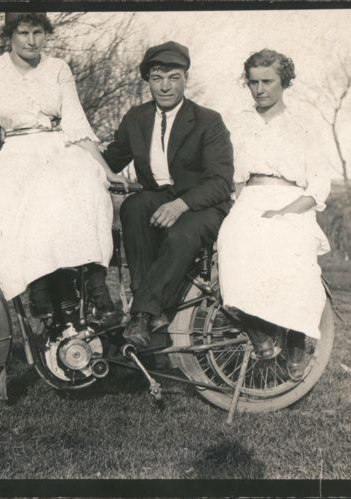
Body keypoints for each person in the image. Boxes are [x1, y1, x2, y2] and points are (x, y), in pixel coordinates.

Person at [0, 13, 129, 326]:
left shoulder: (58, 68)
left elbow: (76, 123)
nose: (32, 40)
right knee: (23, 199)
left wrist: (106, 170)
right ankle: (38, 283)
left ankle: (94, 283)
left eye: (38, 33)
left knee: (88, 181)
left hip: (61, 147)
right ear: (10, 35)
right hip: (18, 150)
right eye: (24, 33)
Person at [103, 41, 235, 348]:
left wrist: (181, 205)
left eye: (173, 77)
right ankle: (153, 314)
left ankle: (141, 314)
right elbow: (110, 161)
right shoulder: (136, 119)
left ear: (186, 78)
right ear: (147, 80)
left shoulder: (208, 121)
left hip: (202, 205)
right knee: (134, 208)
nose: (165, 86)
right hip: (158, 199)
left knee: (181, 235)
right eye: (157, 77)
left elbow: (220, 182)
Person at [216, 49, 332, 379]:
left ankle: (295, 337)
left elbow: (320, 179)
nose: (260, 89)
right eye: (253, 82)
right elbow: (233, 176)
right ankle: (256, 329)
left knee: (289, 242)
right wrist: (241, 205)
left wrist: (286, 210)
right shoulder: (239, 123)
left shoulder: (301, 124)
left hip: (292, 198)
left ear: (285, 82)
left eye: (268, 81)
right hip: (249, 197)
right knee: (233, 238)